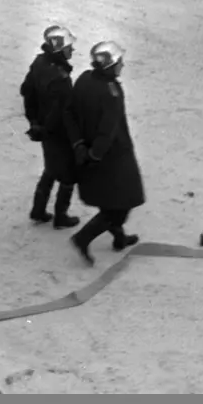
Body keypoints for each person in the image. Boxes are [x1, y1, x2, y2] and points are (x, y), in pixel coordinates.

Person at [66, 41, 145, 266]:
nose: (122, 65)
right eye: (119, 62)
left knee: (109, 200)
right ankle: (83, 238)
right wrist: (95, 155)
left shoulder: (84, 79)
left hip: (88, 152)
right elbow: (107, 131)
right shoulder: (112, 92)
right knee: (122, 204)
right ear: (110, 65)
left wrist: (79, 145)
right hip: (113, 158)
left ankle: (119, 238)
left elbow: (69, 113)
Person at [19, 25, 80, 229]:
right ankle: (61, 216)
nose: (72, 50)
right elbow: (63, 112)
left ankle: (38, 210)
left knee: (51, 168)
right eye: (69, 47)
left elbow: (26, 90)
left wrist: (34, 122)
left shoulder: (39, 62)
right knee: (68, 173)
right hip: (59, 133)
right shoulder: (60, 78)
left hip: (43, 129)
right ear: (58, 49)